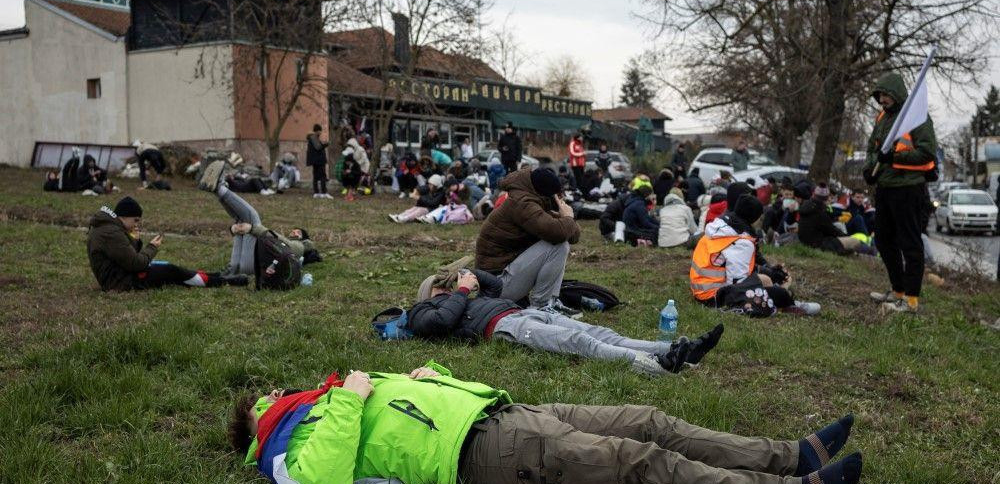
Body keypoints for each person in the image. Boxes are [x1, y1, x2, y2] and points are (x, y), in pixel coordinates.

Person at [229, 363, 863, 484]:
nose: (280, 392)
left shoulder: (325, 402)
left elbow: (407, 410)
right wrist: (347, 399)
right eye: (268, 397)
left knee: (647, 420)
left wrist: (433, 376)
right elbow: (324, 481)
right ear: (261, 416)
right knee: (636, 462)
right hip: (484, 453)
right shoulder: (286, 448)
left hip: (504, 411)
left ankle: (791, 453)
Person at [404, 268, 722, 375]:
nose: (446, 285)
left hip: (524, 313)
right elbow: (443, 322)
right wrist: (459, 289)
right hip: (504, 328)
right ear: (429, 293)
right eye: (439, 284)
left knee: (599, 332)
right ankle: (654, 364)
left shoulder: (464, 295)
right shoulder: (424, 311)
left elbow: (496, 287)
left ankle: (678, 350)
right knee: (579, 343)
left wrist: (469, 275)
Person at [864, 72, 938, 313]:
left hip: (908, 189)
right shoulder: (883, 117)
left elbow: (927, 153)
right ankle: (898, 290)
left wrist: (894, 158)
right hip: (885, 188)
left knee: (910, 243)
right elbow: (872, 149)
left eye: (885, 95)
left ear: (896, 93)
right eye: (879, 95)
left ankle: (911, 299)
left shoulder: (917, 117)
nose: (881, 100)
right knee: (884, 240)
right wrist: (870, 169)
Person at [689, 194, 821, 316]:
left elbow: (731, 267)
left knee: (765, 280)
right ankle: (789, 304)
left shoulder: (720, 227)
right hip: (714, 297)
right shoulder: (741, 242)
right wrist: (780, 289)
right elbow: (738, 283)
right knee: (779, 293)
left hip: (701, 290)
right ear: (753, 218)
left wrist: (768, 272)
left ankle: (784, 302)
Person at [86, 196, 247, 291]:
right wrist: (152, 247)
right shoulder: (111, 233)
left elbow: (128, 256)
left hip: (121, 275)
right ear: (124, 216)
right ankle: (226, 281)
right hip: (120, 283)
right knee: (170, 271)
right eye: (135, 220)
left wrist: (134, 239)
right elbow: (136, 263)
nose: (137, 224)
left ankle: (218, 275)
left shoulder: (110, 228)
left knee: (168, 267)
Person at [476, 168, 579, 310]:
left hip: (499, 282)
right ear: (548, 195)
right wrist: (568, 218)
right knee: (559, 246)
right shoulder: (522, 204)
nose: (560, 199)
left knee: (561, 242)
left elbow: (572, 235)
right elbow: (559, 233)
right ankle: (540, 306)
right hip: (495, 287)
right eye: (558, 196)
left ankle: (550, 302)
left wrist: (565, 218)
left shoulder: (530, 200)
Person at [199, 162, 317, 275]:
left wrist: (254, 228)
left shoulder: (300, 247)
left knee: (252, 217)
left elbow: (285, 242)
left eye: (298, 232)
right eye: (294, 230)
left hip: (254, 265)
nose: (294, 231)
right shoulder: (289, 248)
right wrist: (235, 229)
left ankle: (219, 189)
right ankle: (217, 190)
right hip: (242, 265)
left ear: (305, 239)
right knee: (241, 220)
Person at [794, 182, 869, 255]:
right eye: (829, 198)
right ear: (825, 199)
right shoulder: (820, 212)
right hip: (819, 245)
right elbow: (832, 230)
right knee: (855, 242)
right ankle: (869, 253)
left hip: (806, 242)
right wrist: (846, 237)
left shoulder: (806, 207)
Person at [306, 124, 331, 199]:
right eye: (320, 131)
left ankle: (316, 192)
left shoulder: (313, 138)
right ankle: (323, 192)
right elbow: (318, 147)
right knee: (322, 176)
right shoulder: (313, 137)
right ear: (317, 131)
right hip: (319, 161)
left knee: (316, 177)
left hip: (316, 161)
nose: (320, 133)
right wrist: (326, 144)